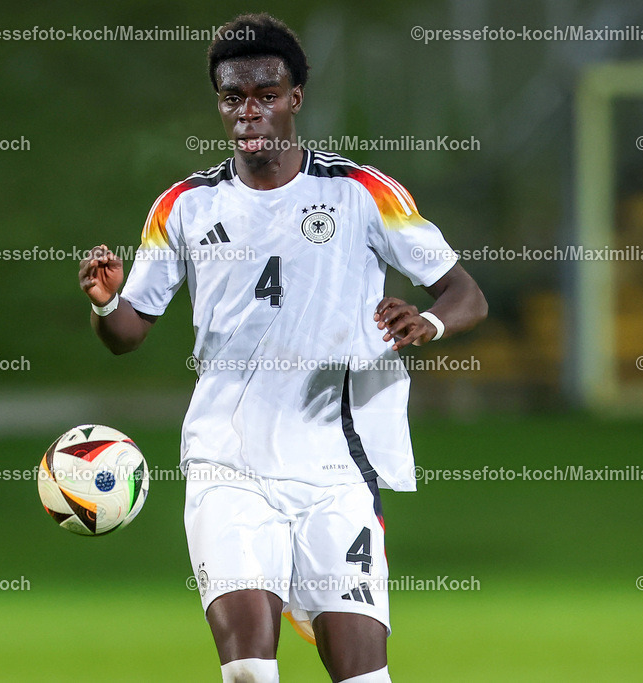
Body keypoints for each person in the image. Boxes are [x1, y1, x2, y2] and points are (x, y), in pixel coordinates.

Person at [78, 13, 487, 683]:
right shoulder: (183, 206)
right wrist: (103, 302)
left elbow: (466, 292)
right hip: (226, 464)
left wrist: (430, 323)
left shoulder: (360, 193)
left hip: (337, 470)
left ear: (296, 97)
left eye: (265, 93)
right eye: (233, 96)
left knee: (363, 677)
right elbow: (127, 334)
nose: (248, 110)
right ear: (219, 102)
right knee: (248, 671)